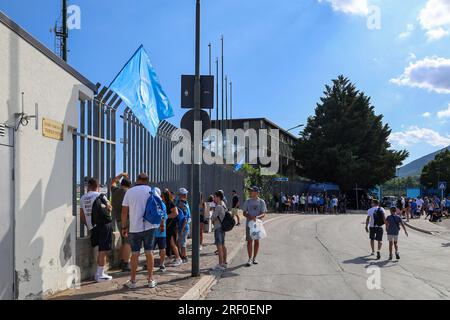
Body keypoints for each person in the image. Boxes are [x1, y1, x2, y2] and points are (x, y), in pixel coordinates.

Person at [121, 173, 157, 289]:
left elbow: (124, 212)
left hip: (134, 228)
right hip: (150, 226)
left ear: (137, 180)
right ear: (147, 180)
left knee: (135, 254)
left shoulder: (129, 192)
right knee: (149, 252)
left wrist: (123, 227)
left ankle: (133, 281)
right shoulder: (152, 191)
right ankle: (150, 279)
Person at [80, 178, 113, 282]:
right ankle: (99, 274)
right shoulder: (100, 195)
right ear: (98, 186)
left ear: (88, 186)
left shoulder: (83, 198)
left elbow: (82, 215)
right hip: (104, 225)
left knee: (99, 249)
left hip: (93, 226)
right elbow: (110, 207)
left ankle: (99, 273)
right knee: (103, 250)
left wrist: (89, 225)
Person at [110, 172, 132, 272]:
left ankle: (122, 261)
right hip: (127, 219)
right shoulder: (129, 193)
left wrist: (121, 174)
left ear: (121, 183)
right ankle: (126, 263)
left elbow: (113, 182)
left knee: (124, 240)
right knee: (128, 242)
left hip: (118, 220)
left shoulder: (115, 191)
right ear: (129, 185)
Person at [242, 186, 267, 267]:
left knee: (256, 241)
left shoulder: (261, 202)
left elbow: (264, 213)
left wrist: (257, 217)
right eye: (250, 191)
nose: (250, 192)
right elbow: (244, 213)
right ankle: (249, 258)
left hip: (257, 225)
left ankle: (254, 258)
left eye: (252, 191)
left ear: (256, 192)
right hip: (249, 225)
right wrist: (250, 217)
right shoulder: (247, 201)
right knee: (249, 241)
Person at [161, 189, 183, 267]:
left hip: (172, 226)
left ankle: (178, 258)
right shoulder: (166, 203)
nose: (161, 197)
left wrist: (166, 217)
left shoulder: (170, 203)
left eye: (162, 196)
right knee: (169, 242)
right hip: (169, 226)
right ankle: (170, 257)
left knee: (172, 242)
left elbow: (175, 213)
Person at [211, 190, 228, 271]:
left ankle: (220, 264)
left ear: (218, 197)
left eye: (215, 197)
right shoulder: (224, 205)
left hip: (218, 228)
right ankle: (224, 262)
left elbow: (213, 217)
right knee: (223, 245)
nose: (214, 198)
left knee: (219, 246)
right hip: (223, 228)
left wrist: (212, 218)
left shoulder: (218, 207)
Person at [152, 187, 168, 273]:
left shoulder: (150, 202)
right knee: (162, 248)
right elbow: (164, 216)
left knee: (151, 249)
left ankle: (150, 264)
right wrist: (162, 224)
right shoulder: (162, 204)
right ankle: (162, 264)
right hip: (161, 230)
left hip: (152, 230)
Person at [176, 188, 191, 264]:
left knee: (183, 243)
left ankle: (184, 256)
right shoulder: (185, 202)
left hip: (183, 226)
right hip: (183, 225)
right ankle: (182, 255)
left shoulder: (181, 204)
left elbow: (185, 218)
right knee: (181, 242)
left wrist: (181, 229)